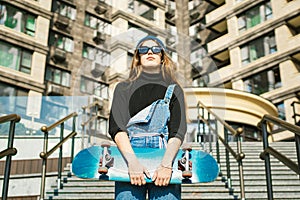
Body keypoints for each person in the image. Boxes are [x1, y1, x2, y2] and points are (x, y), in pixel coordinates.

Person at [108, 35, 187, 200]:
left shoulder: (174, 90)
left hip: (164, 159)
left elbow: (178, 131)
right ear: (138, 58)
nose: (150, 52)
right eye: (143, 50)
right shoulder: (123, 88)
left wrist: (166, 165)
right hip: (129, 160)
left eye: (155, 49)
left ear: (162, 57)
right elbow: (116, 127)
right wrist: (133, 162)